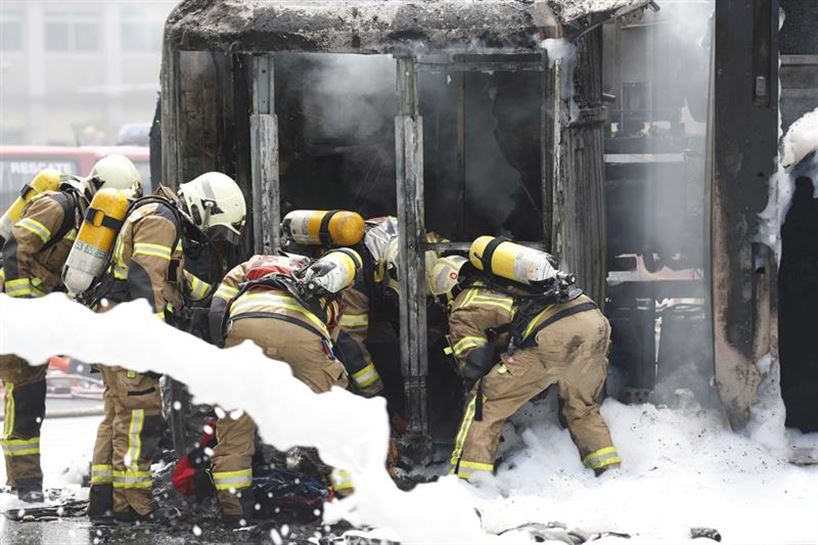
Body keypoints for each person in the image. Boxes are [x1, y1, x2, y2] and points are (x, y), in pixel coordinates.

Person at [85, 172, 246, 523]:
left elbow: (174, 279)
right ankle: (136, 506)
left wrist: (218, 293)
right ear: (208, 207)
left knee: (116, 419)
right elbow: (148, 280)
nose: (211, 234)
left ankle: (105, 501)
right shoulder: (161, 219)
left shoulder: (159, 215)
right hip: (130, 336)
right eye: (216, 225)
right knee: (140, 421)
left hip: (113, 328)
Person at [0, 155, 143, 503]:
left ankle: (25, 482)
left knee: (30, 396)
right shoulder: (58, 205)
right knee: (26, 395)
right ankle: (26, 485)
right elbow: (15, 250)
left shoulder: (94, 222)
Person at [431, 245, 621, 481]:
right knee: (583, 408)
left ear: (444, 290)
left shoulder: (463, 305)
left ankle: (470, 481)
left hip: (553, 337)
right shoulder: (509, 283)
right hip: (594, 323)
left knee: (484, 401)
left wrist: (491, 376)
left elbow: (473, 365)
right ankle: (609, 473)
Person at [207, 250, 361, 526]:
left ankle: (235, 511)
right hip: (300, 330)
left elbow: (218, 306)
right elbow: (330, 342)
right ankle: (349, 505)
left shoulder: (253, 264)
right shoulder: (325, 281)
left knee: (235, 427)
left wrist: (224, 348)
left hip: (243, 327)